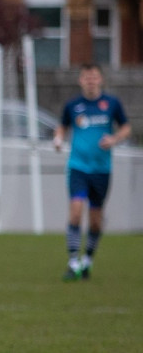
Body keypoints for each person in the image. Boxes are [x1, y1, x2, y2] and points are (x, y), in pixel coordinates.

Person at [52, 63, 131, 281]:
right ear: (80, 80)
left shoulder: (111, 104)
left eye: (94, 77)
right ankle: (73, 261)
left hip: (102, 170)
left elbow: (125, 127)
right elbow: (62, 126)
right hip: (78, 167)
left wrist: (114, 139)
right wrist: (58, 139)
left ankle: (87, 260)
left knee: (95, 220)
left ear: (100, 80)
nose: (90, 81)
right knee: (76, 211)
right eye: (86, 77)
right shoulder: (73, 105)